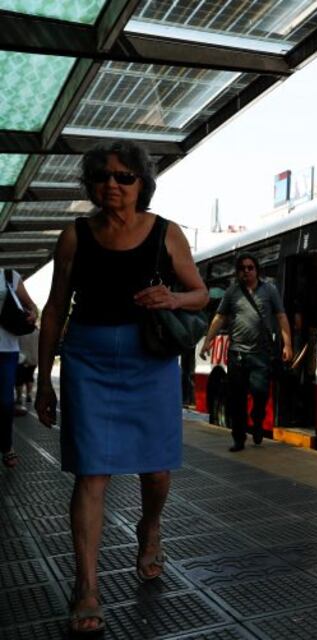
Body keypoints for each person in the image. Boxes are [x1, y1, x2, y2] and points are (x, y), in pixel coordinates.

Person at [34, 141, 208, 636]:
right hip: (87, 358)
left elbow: (200, 292)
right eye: (103, 176)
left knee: (156, 469)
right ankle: (86, 586)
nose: (113, 184)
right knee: (91, 474)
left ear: (141, 184)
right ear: (91, 184)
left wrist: (172, 297)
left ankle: (150, 527)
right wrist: (46, 379)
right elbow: (54, 309)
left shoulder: (167, 233)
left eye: (124, 176)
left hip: (148, 359)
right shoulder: (74, 236)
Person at [200, 253, 292, 452]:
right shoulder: (232, 292)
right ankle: (239, 439)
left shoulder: (270, 291)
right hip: (237, 354)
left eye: (250, 267)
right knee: (237, 398)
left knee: (260, 393)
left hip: (261, 354)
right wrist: (208, 341)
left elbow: (282, 317)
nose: (247, 271)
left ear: (257, 270)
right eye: (242, 268)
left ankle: (257, 421)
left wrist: (287, 345)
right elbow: (219, 318)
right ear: (238, 272)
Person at [0, 272, 38, 468]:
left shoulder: (9, 276)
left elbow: (33, 307)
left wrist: (32, 314)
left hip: (6, 350)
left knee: (6, 402)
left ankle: (6, 446)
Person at [14, 327, 39, 417]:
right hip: (33, 358)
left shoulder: (20, 331)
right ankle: (28, 395)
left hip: (21, 358)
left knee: (19, 378)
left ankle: (19, 397)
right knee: (30, 377)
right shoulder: (38, 332)